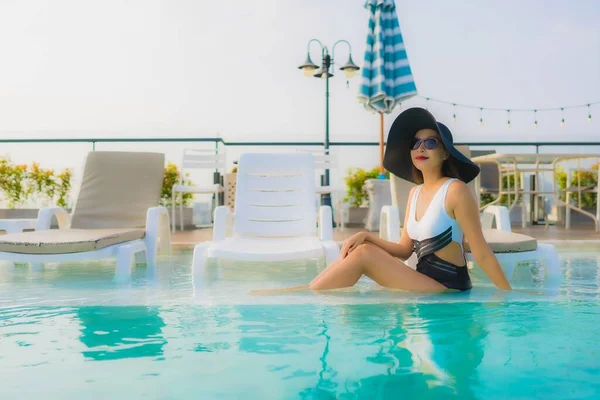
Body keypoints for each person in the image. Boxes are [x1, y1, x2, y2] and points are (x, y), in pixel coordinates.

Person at [255, 107, 511, 294]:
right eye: (415, 143)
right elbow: (403, 250)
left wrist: (507, 296)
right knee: (360, 249)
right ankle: (307, 290)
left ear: (445, 153)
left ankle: (303, 295)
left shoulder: (455, 190)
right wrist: (366, 235)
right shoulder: (415, 193)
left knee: (365, 255)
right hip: (422, 281)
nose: (421, 148)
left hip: (449, 287)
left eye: (430, 143)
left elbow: (480, 251)